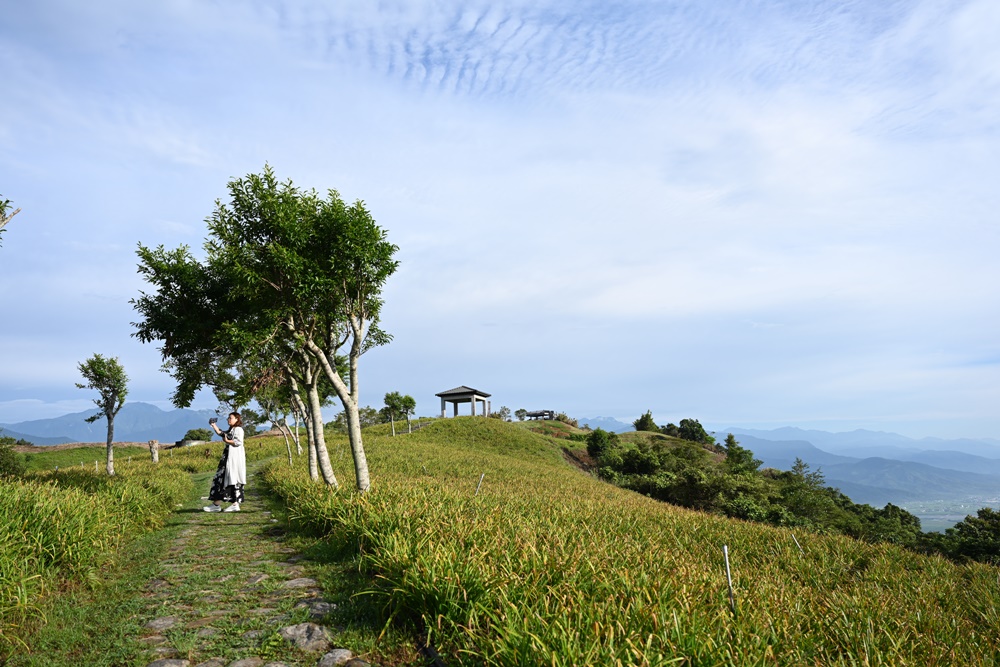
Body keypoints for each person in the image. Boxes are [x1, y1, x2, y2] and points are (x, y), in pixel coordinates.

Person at [203, 412, 246, 513]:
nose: (228, 420)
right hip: (228, 458)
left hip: (233, 459)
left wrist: (227, 441)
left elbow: (238, 442)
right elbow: (222, 433)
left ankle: (221, 505)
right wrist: (214, 425)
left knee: (226, 478)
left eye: (230, 418)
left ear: (237, 419)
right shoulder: (232, 429)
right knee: (224, 479)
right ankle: (222, 504)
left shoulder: (238, 429)